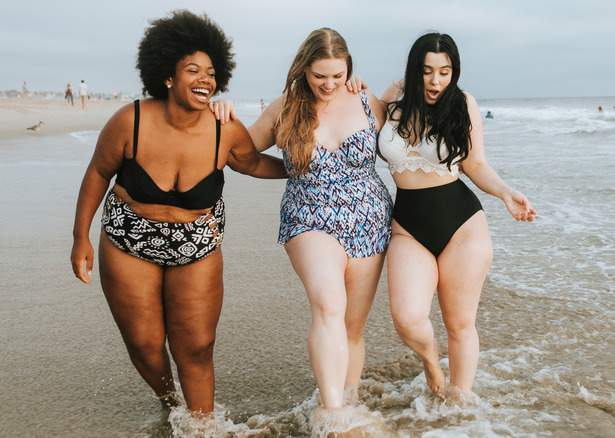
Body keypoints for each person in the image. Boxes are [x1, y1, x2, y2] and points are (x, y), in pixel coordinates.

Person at [70, 10, 286, 416]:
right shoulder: (130, 121)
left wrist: (303, 167)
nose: (205, 79)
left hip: (197, 244)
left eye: (211, 72)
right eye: (192, 70)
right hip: (128, 240)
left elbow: (254, 163)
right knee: (144, 345)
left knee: (197, 346)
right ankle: (173, 405)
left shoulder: (225, 130)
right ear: (168, 76)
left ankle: (202, 427)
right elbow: (98, 172)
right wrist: (80, 236)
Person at [213, 27, 392, 412]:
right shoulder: (286, 106)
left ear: (349, 70)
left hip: (370, 219)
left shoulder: (366, 100)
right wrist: (223, 115)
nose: (329, 84)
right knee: (328, 304)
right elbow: (241, 153)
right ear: (303, 70)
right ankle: (334, 416)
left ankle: (351, 400)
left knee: (352, 327)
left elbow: (406, 135)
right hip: (308, 215)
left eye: (337, 75)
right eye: (319, 75)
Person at [376, 33, 535, 399]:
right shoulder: (394, 98)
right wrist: (355, 83)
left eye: (445, 72)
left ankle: (458, 406)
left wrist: (506, 192)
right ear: (415, 69)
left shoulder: (463, 103)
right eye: (428, 71)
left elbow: (475, 163)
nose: (435, 81)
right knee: (407, 318)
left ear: (454, 71)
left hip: (461, 225)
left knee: (460, 325)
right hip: (407, 229)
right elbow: (353, 108)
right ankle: (432, 361)